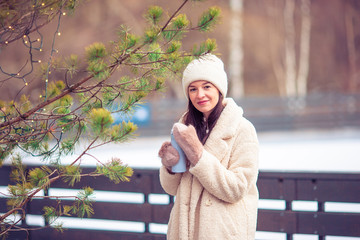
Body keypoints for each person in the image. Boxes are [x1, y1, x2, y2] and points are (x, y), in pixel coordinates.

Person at [158, 54, 259, 240]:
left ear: (219, 89)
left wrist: (198, 154)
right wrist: (170, 166)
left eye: (207, 87)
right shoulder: (184, 126)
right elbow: (172, 189)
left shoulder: (242, 129)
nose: (200, 95)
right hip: (184, 231)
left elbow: (237, 189)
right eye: (193, 89)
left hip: (222, 232)